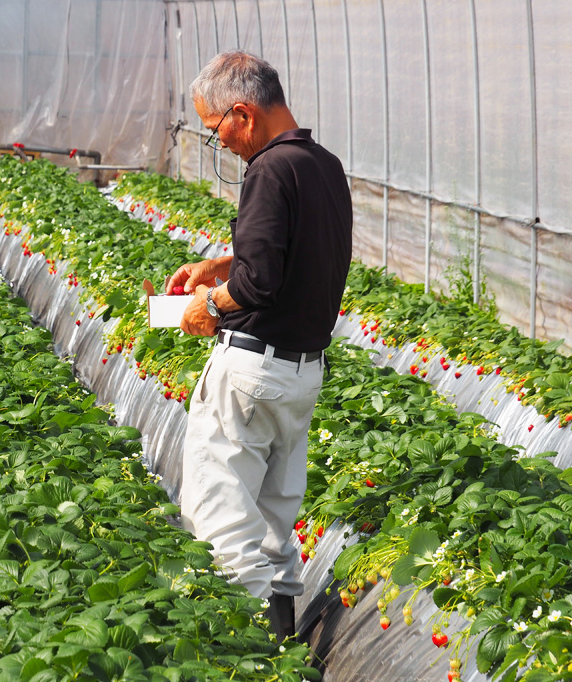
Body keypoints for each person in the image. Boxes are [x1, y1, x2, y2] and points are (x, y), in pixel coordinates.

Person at [167, 50, 352, 641]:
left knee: (221, 521)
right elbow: (295, 256)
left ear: (243, 114)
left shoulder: (269, 170)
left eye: (215, 127)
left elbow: (259, 284)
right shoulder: (323, 166)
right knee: (274, 521)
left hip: (252, 372)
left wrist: (208, 305)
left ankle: (244, 659)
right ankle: (282, 648)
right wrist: (221, 264)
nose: (218, 141)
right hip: (301, 374)